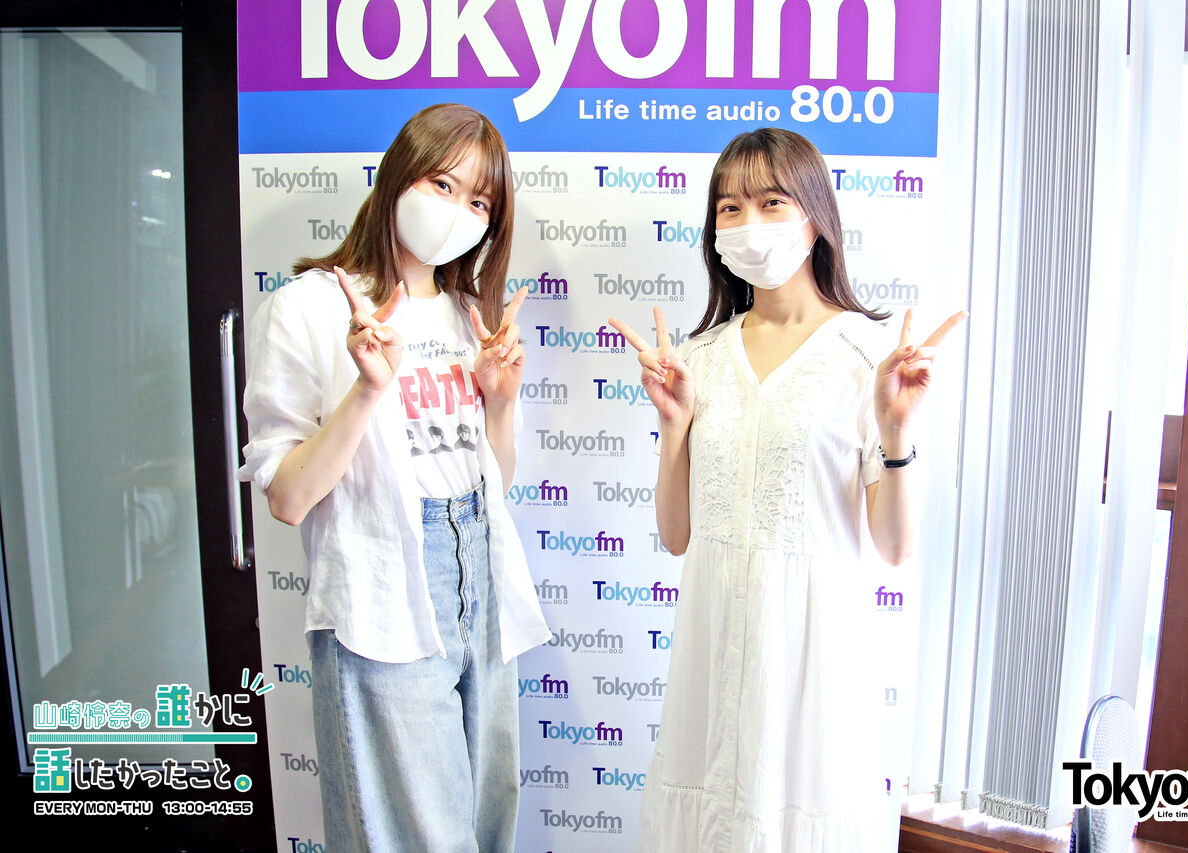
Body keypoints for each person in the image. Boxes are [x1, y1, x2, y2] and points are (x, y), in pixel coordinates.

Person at [610, 127, 966, 853]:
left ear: (815, 217)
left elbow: (895, 546)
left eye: (771, 202)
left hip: (814, 661)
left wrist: (896, 431)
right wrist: (673, 426)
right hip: (712, 646)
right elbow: (677, 536)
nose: (748, 223)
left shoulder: (869, 355)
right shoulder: (701, 358)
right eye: (730, 207)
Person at [239, 104, 549, 852]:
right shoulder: (309, 307)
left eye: (480, 202)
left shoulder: (468, 312)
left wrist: (500, 403)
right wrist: (368, 389)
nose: (458, 211)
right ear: (398, 176)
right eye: (443, 184)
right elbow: (287, 497)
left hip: (481, 575)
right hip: (384, 585)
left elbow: (493, 484)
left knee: (487, 819)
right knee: (415, 835)